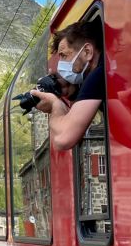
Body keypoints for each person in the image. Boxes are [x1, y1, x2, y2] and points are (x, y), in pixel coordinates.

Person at [31, 20, 105, 151]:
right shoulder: (102, 70)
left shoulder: (98, 74)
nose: (60, 67)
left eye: (64, 56)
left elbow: (63, 140)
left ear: (87, 52)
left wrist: (55, 105)